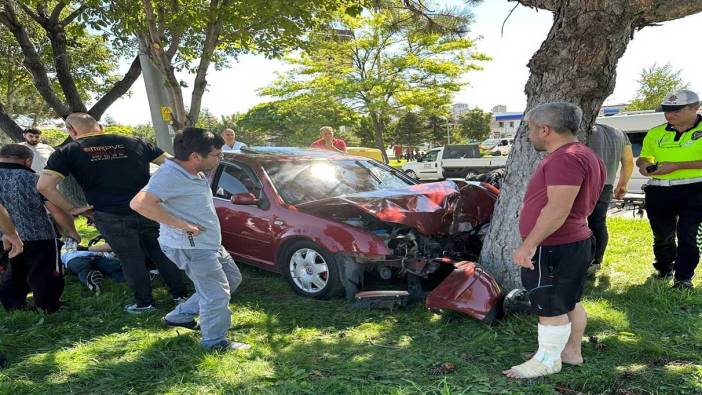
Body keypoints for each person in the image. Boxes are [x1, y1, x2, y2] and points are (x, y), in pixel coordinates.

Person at [37, 112, 188, 313]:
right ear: (99, 126)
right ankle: (180, 295)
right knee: (161, 252)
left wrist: (73, 209)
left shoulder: (67, 151)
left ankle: (144, 303)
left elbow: (44, 186)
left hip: (109, 213)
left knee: (130, 258)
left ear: (71, 130)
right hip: (147, 208)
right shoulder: (134, 141)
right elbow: (174, 165)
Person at [503, 102, 605, 379]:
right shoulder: (586, 154)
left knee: (549, 303)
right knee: (568, 301)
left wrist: (529, 244)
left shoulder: (565, 159)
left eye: (531, 129)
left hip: (555, 244)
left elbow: (557, 209)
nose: (529, 135)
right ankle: (569, 352)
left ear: (545, 129)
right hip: (573, 241)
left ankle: (547, 361)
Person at [130, 128, 250, 352]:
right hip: (191, 246)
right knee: (216, 294)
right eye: (216, 154)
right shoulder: (169, 175)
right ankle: (215, 342)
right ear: (196, 155)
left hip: (209, 243)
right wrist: (182, 225)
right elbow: (139, 204)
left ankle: (179, 316)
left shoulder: (191, 171)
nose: (220, 158)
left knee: (232, 279)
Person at [0, 144, 80, 313]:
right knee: (43, 272)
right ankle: (48, 305)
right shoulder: (34, 180)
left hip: (5, 237)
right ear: (28, 161)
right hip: (38, 234)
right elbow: (55, 209)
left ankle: (14, 305)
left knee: (12, 272)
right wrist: (70, 230)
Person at [636, 89, 702, 289]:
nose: (669, 115)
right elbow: (644, 156)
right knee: (662, 234)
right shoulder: (656, 132)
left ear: (695, 107)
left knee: (687, 234)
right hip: (660, 190)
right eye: (667, 110)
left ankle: (683, 278)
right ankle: (664, 268)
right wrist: (644, 165)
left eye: (676, 110)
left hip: (695, 190)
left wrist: (679, 165)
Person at [586, 123, 634, 272]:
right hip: (606, 184)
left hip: (582, 182)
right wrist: (622, 184)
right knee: (598, 223)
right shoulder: (619, 132)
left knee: (574, 222)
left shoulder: (585, 128)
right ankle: (596, 261)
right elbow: (628, 162)